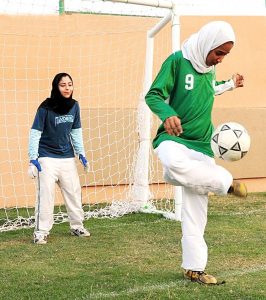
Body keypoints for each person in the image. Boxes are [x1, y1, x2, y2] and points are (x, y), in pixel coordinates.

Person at [145, 21, 247, 285]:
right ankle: (225, 181)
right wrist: (167, 114)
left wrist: (231, 85)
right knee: (174, 163)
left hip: (202, 146)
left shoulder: (209, 69)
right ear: (207, 43)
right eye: (219, 53)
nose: (220, 59)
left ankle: (194, 268)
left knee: (195, 214)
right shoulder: (178, 61)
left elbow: (208, 90)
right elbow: (154, 94)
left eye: (225, 55)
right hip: (174, 139)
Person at [28, 72, 90, 244]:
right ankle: (41, 232)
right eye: (63, 85)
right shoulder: (45, 107)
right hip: (46, 158)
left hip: (67, 158)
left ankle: (77, 226)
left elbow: (76, 131)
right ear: (56, 87)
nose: (67, 88)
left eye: (70, 84)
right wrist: (33, 158)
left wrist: (81, 154)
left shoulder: (74, 106)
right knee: (46, 195)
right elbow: (35, 133)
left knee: (74, 193)